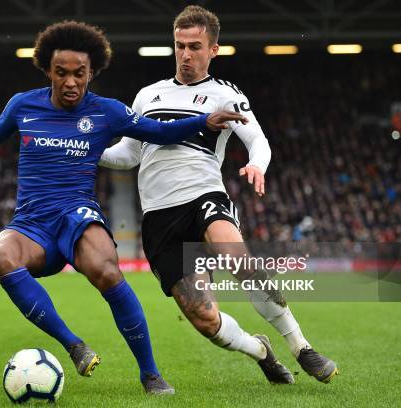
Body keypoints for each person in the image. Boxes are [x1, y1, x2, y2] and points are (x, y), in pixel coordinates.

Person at [0, 20, 246, 394]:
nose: (71, 82)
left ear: (92, 72)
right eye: (61, 73)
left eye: (79, 74)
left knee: (106, 270)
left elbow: (159, 132)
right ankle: (73, 344)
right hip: (32, 223)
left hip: (77, 216)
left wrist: (204, 120)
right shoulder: (23, 106)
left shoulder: (108, 112)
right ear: (48, 71)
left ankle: (150, 373)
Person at [100, 5, 338, 384]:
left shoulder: (224, 94)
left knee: (238, 259)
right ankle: (260, 350)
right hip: (159, 216)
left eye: (195, 46)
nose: (185, 55)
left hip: (203, 195)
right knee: (205, 318)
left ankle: (302, 347)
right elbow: (129, 154)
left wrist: (257, 164)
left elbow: (257, 139)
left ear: (214, 49)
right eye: (179, 46)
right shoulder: (148, 95)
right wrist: (88, 151)